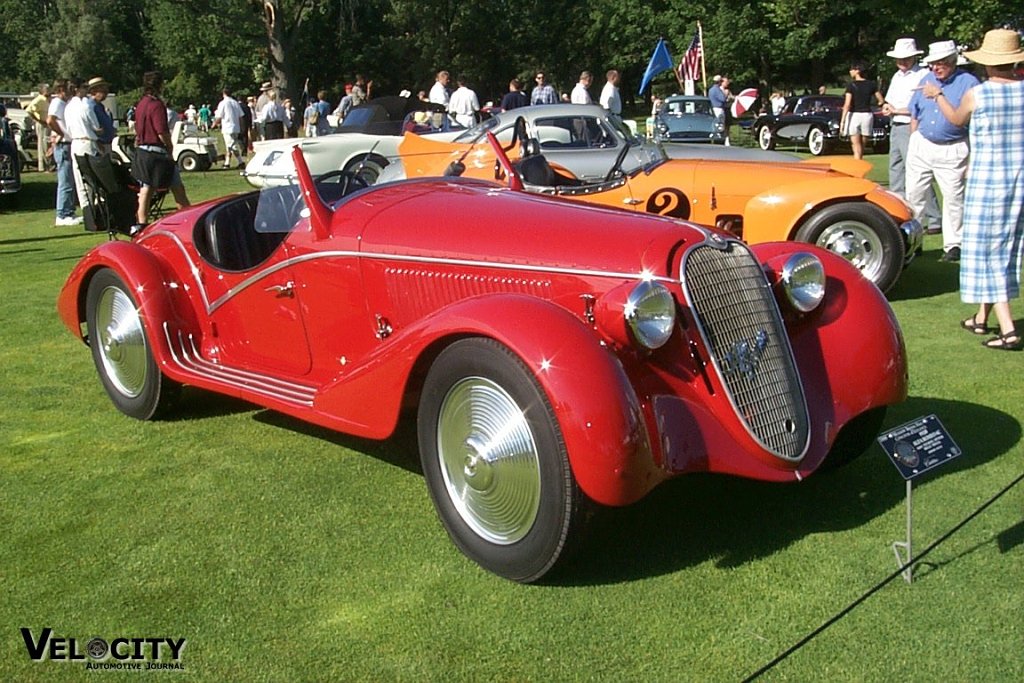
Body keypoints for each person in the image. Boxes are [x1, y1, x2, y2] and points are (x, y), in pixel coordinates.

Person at [921, 29, 1024, 350]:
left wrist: (937, 96)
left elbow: (954, 120)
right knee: (1006, 246)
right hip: (1019, 179)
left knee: (987, 251)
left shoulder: (978, 94)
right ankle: (981, 318)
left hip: (987, 180)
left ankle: (1008, 329)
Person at [906, 40, 980, 262]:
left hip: (952, 146)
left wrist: (939, 95)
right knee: (914, 195)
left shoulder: (968, 83)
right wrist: (914, 137)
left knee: (953, 197)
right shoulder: (926, 79)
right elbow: (914, 112)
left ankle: (953, 244)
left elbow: (962, 120)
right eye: (932, 64)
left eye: (940, 64)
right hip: (922, 143)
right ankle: (914, 241)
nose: (935, 68)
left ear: (952, 62)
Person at [881, 37, 942, 234]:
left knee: (918, 173)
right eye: (900, 59)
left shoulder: (923, 75)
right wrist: (888, 108)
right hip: (896, 126)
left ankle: (934, 218)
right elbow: (890, 100)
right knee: (896, 171)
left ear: (914, 57)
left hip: (912, 126)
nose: (902, 62)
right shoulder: (897, 76)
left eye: (906, 58)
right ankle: (899, 213)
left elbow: (921, 106)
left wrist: (897, 110)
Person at [131, 71, 190, 234]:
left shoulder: (141, 104)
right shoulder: (157, 105)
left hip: (142, 151)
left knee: (146, 190)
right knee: (178, 189)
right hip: (157, 153)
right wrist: (170, 148)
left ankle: (141, 223)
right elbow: (161, 131)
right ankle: (187, 218)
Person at [46, 79, 80, 226]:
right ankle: (63, 214)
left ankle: (69, 211)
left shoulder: (62, 103)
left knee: (69, 179)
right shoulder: (57, 103)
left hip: (67, 143)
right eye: (68, 88)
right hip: (64, 144)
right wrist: (60, 132)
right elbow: (50, 120)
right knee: (65, 180)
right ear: (61, 89)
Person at [840, 61, 884, 159]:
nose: (850, 72)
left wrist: (842, 122)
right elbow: (881, 100)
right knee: (862, 146)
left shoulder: (851, 86)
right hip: (867, 115)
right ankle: (859, 162)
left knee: (855, 145)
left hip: (854, 115)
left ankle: (857, 166)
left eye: (852, 69)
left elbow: (847, 104)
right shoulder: (871, 84)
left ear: (857, 71)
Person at [214, 87, 245, 169]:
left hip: (228, 127)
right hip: (236, 127)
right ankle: (227, 162)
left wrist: (214, 124)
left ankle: (240, 162)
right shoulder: (235, 102)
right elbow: (241, 116)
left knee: (231, 146)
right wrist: (241, 126)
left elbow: (219, 116)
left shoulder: (223, 103)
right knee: (230, 145)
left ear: (224, 94)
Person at [708, 75, 733, 145]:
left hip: (713, 108)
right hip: (719, 108)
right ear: (719, 82)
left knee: (716, 123)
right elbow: (723, 99)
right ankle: (720, 138)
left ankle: (716, 138)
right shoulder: (717, 90)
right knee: (721, 124)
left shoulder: (710, 90)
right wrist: (726, 94)